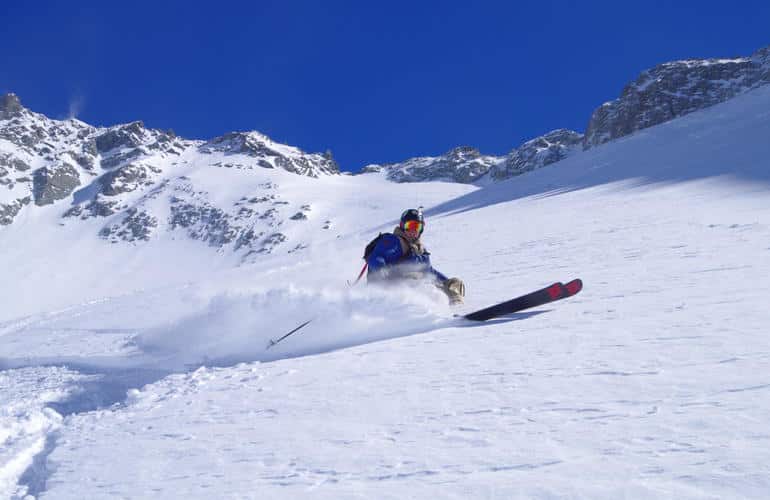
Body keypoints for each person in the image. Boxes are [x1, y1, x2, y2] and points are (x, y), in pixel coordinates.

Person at [365, 208, 465, 304]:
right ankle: (434, 314)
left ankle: (456, 308)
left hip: (412, 287)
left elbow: (429, 271)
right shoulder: (393, 241)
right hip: (387, 289)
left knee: (454, 285)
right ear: (402, 226)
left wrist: (446, 282)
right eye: (410, 226)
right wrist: (383, 271)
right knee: (418, 281)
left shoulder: (420, 249)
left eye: (417, 227)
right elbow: (376, 257)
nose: (413, 230)